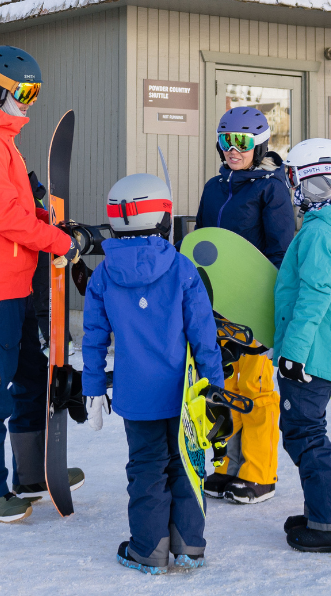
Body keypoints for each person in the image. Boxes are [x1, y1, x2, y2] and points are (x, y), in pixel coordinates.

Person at [0, 45, 82, 523]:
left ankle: (31, 474)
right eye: (24, 91)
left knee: (30, 379)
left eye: (35, 92)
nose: (30, 100)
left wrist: (50, 222)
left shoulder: (0, 139)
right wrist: (56, 243)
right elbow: (0, 214)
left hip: (17, 282)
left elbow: (18, 208)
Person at [82, 173, 230, 574]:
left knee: (147, 469)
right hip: (184, 395)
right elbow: (204, 337)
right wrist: (215, 389)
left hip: (136, 395)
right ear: (164, 217)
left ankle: (148, 549)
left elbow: (93, 338)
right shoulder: (183, 269)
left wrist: (92, 388)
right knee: (186, 464)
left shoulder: (103, 276)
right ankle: (188, 547)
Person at [194, 105, 295, 506]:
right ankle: (227, 465)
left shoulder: (271, 188)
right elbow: (203, 241)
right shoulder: (214, 186)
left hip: (252, 305)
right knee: (223, 384)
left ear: (259, 143)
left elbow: (280, 252)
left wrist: (262, 305)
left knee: (254, 386)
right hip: (216, 303)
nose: (232, 150)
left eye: (241, 142)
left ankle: (259, 471)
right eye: (225, 142)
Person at [273, 138, 331, 553]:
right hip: (318, 350)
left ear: (315, 184)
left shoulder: (318, 234)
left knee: (305, 434)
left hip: (308, 354)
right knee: (303, 431)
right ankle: (323, 513)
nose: (292, 187)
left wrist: (293, 353)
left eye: (296, 178)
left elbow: (314, 296)